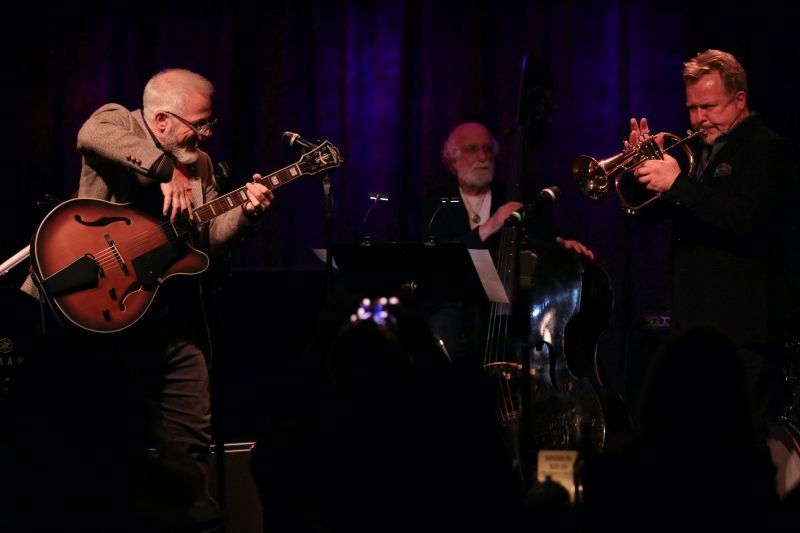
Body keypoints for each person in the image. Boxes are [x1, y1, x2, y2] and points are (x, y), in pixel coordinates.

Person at [7, 68, 273, 532]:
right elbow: (91, 134)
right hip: (90, 312)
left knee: (191, 428)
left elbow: (206, 243)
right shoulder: (118, 122)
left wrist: (246, 215)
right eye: (200, 123)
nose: (208, 133)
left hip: (162, 314)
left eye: (210, 124)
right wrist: (166, 169)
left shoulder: (203, 166)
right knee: (98, 437)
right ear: (164, 121)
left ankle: (187, 515)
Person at [627, 49, 798, 436]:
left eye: (709, 106)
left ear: (739, 100)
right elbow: (648, 214)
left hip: (744, 333)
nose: (699, 119)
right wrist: (637, 168)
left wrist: (678, 184)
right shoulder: (696, 154)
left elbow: (746, 219)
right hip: (694, 327)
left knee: (740, 447)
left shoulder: (768, 149)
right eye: (692, 108)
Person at [421, 121, 594, 363]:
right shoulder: (436, 203)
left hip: (503, 305)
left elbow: (535, 235)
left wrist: (559, 245)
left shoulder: (509, 195)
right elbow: (436, 256)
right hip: (454, 303)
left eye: (487, 149)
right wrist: (490, 226)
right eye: (472, 150)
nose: (483, 157)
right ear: (452, 160)